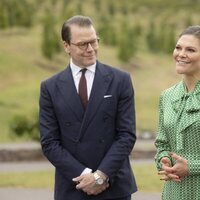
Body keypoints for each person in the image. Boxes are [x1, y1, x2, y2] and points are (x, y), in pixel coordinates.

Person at [39, 15, 137, 200]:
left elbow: (126, 134)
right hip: (73, 186)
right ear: (66, 46)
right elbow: (49, 142)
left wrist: (100, 176)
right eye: (83, 44)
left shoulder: (120, 80)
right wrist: (84, 175)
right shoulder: (50, 87)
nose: (91, 49)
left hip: (114, 185)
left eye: (94, 42)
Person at [155, 25, 200, 200]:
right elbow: (162, 144)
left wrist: (192, 167)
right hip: (174, 191)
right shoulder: (167, 96)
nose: (181, 54)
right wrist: (164, 160)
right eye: (178, 47)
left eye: (190, 50)